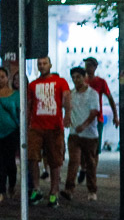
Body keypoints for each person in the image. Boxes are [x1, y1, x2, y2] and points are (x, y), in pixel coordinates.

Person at [27, 56, 71, 207]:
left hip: (54, 127)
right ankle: (36, 189)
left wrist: (68, 116)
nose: (42, 66)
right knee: (33, 157)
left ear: (50, 65)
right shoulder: (33, 85)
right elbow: (29, 105)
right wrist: (27, 124)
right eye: (39, 64)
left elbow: (66, 98)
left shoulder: (60, 82)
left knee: (55, 160)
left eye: (44, 63)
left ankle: (54, 192)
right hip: (36, 126)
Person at [61, 67, 100, 202]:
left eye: (78, 77)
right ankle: (69, 189)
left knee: (90, 162)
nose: (76, 80)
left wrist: (84, 125)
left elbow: (94, 112)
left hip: (89, 135)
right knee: (74, 161)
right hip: (74, 134)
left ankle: (92, 189)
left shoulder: (92, 94)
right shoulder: (71, 94)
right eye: (73, 77)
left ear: (84, 77)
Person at [83, 56, 118, 154]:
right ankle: (84, 168)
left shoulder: (101, 82)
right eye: (86, 65)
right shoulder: (82, 81)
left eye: (89, 65)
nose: (87, 67)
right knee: (83, 147)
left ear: (95, 67)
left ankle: (92, 168)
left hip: (97, 119)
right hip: (82, 117)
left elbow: (110, 98)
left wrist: (115, 116)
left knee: (95, 148)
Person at [0, 66, 18, 202]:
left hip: (12, 132)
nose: (0, 80)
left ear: (7, 78)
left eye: (2, 77)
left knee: (10, 162)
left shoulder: (15, 94)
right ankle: (1, 190)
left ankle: (12, 184)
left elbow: (19, 113)